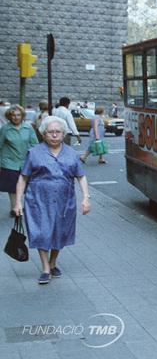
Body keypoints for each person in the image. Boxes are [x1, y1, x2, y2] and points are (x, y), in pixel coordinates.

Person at [13, 116, 91, 285]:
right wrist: (18, 202)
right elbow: (23, 178)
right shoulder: (34, 152)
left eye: (58, 132)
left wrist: (86, 197)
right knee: (42, 231)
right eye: (50, 132)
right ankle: (45, 268)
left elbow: (81, 176)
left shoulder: (71, 152)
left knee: (61, 232)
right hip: (38, 199)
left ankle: (53, 261)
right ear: (43, 134)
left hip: (65, 200)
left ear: (63, 134)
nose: (54, 135)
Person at [0, 104, 38, 217]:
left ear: (22, 116)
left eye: (18, 115)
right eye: (13, 115)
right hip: (9, 162)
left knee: (26, 185)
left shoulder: (28, 128)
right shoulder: (5, 129)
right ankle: (14, 208)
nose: (16, 117)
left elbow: (34, 144)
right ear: (9, 117)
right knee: (12, 187)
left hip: (25, 162)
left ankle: (21, 205)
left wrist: (31, 154)